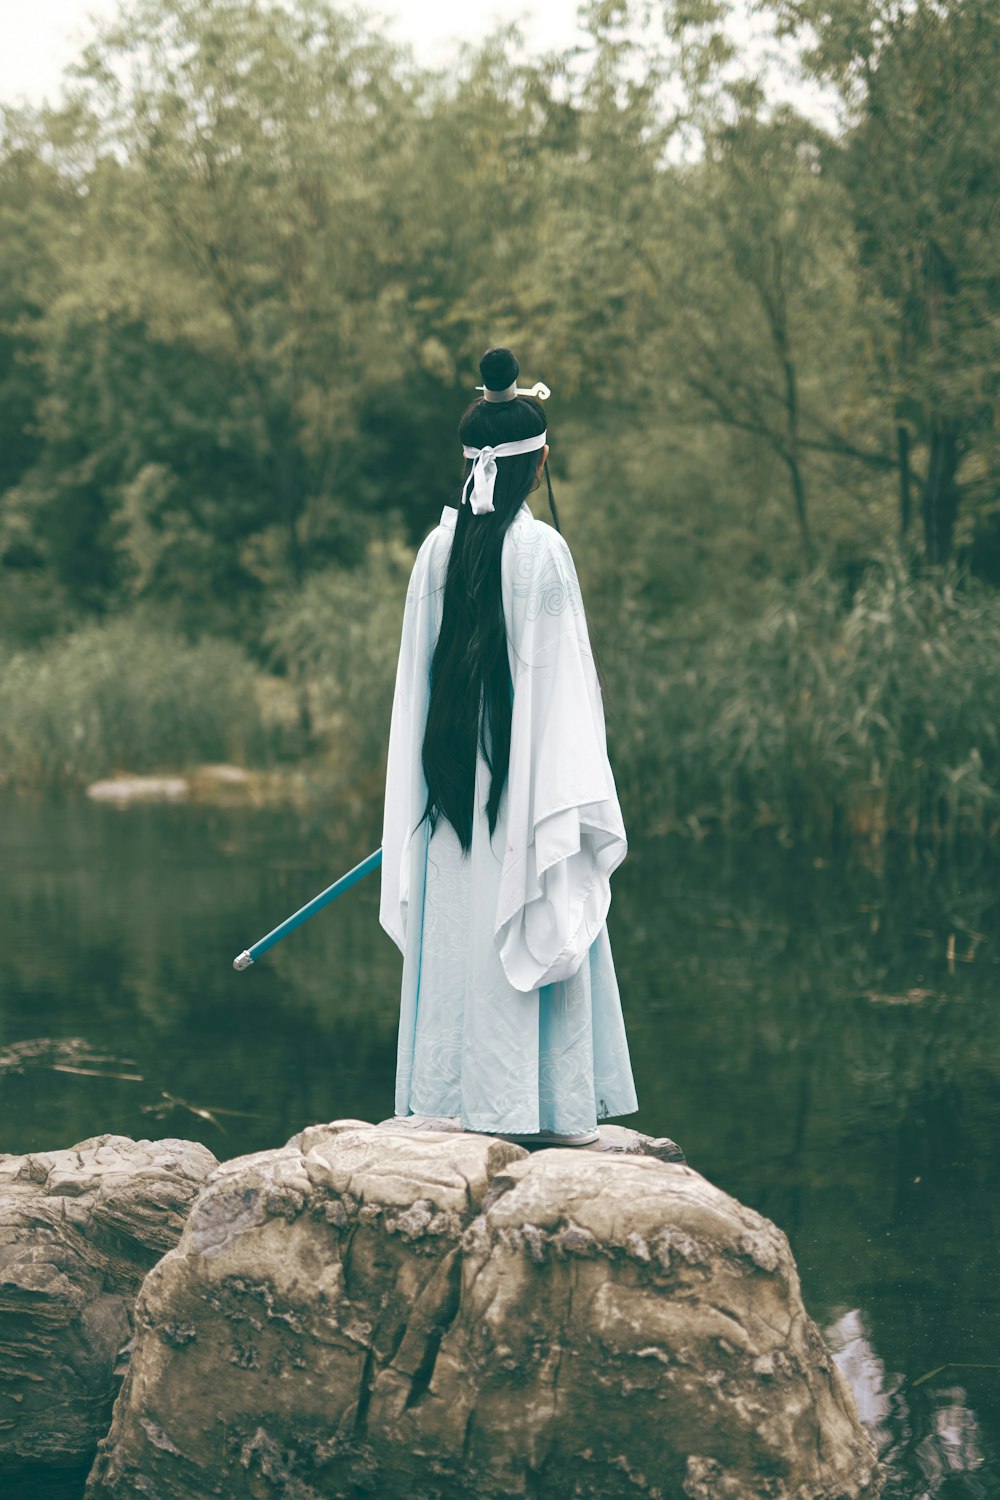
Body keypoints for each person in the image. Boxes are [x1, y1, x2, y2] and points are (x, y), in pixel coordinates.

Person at [379, 347, 638, 1146]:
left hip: (454, 808)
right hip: (523, 805)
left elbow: (414, 701)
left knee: (462, 933)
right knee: (531, 908)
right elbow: (566, 702)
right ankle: (540, 1113)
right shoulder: (543, 554)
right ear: (539, 464)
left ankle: (454, 1101)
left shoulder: (435, 552)